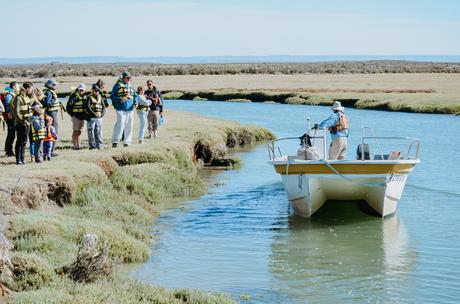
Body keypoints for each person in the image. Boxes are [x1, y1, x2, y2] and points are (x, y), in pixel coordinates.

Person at [111, 71, 136, 147]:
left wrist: (136, 102)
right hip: (120, 108)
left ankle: (127, 142)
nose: (129, 79)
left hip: (130, 109)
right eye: (127, 78)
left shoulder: (131, 86)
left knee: (129, 125)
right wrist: (120, 99)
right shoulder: (117, 86)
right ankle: (115, 142)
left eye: (130, 78)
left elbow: (135, 95)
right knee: (120, 124)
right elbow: (112, 96)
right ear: (123, 78)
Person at [12, 82, 34, 165]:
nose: (31, 90)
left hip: (27, 122)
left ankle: (22, 158)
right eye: (31, 88)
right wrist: (23, 121)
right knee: (19, 141)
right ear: (27, 88)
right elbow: (16, 112)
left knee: (25, 141)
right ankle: (18, 159)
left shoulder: (26, 97)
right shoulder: (18, 98)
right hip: (20, 123)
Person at [42, 79, 61, 156]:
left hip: (51, 113)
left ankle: (48, 151)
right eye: (54, 85)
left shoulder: (47, 91)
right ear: (50, 85)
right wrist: (55, 99)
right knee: (53, 132)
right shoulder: (49, 92)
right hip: (52, 114)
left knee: (50, 132)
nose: (55, 86)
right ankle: (50, 151)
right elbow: (48, 103)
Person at [2, 82, 20, 157]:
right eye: (18, 86)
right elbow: (7, 104)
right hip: (10, 117)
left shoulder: (11, 93)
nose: (18, 88)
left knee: (11, 134)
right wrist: (9, 113)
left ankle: (9, 150)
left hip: (12, 116)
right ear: (14, 86)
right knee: (11, 134)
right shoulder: (9, 94)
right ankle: (8, 151)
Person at [85, 84, 105, 150]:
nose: (97, 92)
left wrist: (102, 114)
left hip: (99, 118)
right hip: (91, 118)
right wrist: (94, 114)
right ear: (92, 90)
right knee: (91, 132)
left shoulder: (100, 97)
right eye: (96, 91)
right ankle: (92, 146)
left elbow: (103, 107)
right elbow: (88, 107)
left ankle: (100, 145)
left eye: (98, 91)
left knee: (99, 131)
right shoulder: (89, 97)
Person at [67, 84, 87, 150]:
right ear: (78, 89)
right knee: (76, 131)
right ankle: (74, 146)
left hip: (82, 117)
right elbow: (68, 107)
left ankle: (78, 145)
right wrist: (72, 115)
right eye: (80, 89)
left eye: (82, 90)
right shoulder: (74, 96)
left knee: (80, 132)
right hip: (75, 116)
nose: (81, 91)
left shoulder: (85, 96)